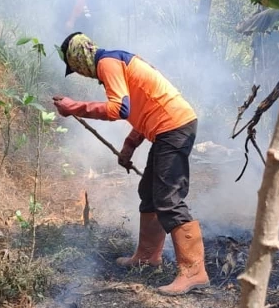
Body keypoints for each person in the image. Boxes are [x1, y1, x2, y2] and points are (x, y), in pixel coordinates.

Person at [52, 32, 210, 295]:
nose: (79, 73)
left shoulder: (107, 63)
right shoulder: (115, 62)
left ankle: (194, 271)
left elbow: (119, 109)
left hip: (173, 127)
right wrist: (129, 146)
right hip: (168, 128)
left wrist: (75, 107)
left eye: (76, 68)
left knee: (168, 199)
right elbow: (141, 107)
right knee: (148, 193)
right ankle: (148, 255)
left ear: (79, 59)